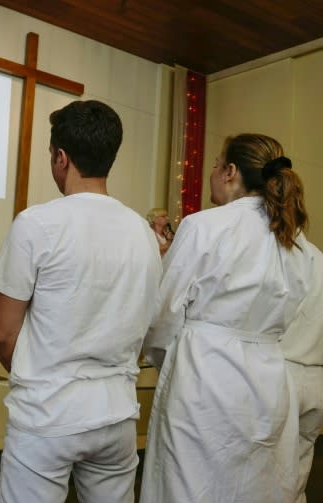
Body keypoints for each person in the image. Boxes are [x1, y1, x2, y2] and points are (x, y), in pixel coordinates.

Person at [0, 100, 162, 503]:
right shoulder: (142, 233)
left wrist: (41, 375)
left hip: (47, 415)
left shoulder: (38, 223)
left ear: (61, 158)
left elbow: (1, 332)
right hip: (116, 414)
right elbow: (142, 324)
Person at [140, 134, 312, 502]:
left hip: (203, 378)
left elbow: (164, 314)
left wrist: (168, 361)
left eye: (216, 165)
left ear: (231, 172)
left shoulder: (204, 226)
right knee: (254, 488)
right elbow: (294, 315)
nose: (213, 173)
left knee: (189, 487)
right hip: (268, 382)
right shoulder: (296, 242)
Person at [281, 241, 323, 502]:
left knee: (266, 478)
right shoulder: (318, 258)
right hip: (317, 377)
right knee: (297, 480)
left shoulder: (282, 258)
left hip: (283, 372)